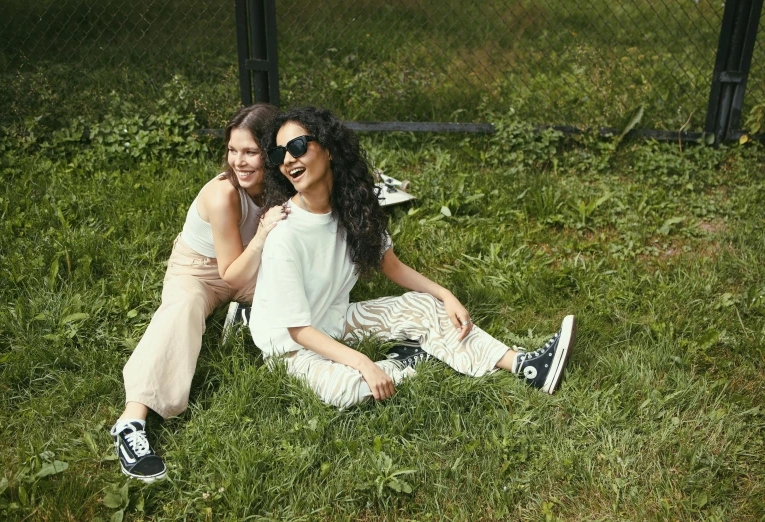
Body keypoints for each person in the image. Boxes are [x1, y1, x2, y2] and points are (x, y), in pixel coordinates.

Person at [249, 106, 576, 410]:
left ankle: (526, 366)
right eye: (279, 154)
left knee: (426, 306)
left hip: (335, 320)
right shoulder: (285, 232)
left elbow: (390, 265)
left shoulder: (351, 203)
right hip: (291, 347)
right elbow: (298, 330)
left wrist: (444, 294)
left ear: (329, 148)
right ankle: (406, 361)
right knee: (349, 387)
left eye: (298, 146)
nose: (288, 160)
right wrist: (363, 362)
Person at [109, 103, 288, 482]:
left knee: (301, 298)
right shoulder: (223, 194)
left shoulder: (281, 179)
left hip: (251, 265)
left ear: (271, 152)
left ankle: (248, 314)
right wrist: (262, 235)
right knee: (183, 308)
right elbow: (232, 274)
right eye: (232, 150)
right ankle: (130, 422)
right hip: (201, 272)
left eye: (250, 151)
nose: (239, 161)